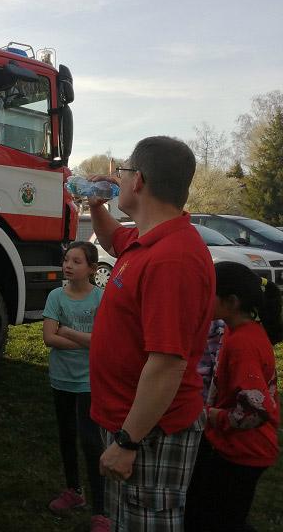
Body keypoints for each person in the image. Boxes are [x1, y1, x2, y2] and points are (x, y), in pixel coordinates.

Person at [87, 136, 214, 531]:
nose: (118, 180)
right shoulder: (149, 240)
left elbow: (167, 365)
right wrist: (96, 205)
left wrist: (127, 442)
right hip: (134, 424)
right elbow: (111, 237)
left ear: (138, 180)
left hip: (149, 433)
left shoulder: (172, 259)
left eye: (123, 172)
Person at [185, 263, 281, 532]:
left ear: (231, 302)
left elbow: (255, 409)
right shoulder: (236, 329)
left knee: (219, 521)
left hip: (243, 452)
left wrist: (214, 416)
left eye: (209, 294)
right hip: (231, 446)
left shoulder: (243, 343)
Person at [42, 241, 109, 532]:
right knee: (66, 436)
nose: (68, 265)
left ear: (92, 268)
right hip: (61, 379)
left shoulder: (101, 298)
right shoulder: (56, 296)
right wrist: (87, 342)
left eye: (76, 261)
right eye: (66, 260)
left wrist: (67, 331)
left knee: (91, 442)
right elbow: (48, 338)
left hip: (89, 381)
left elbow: (103, 342)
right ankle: (74, 491)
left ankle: (101, 510)